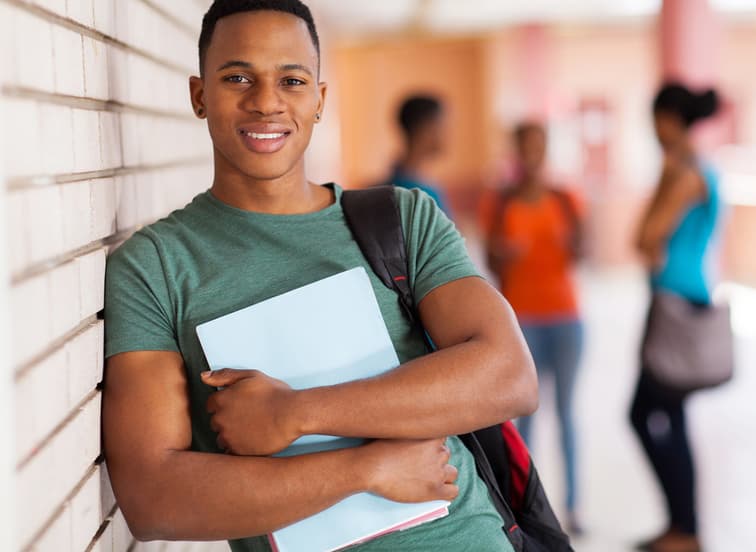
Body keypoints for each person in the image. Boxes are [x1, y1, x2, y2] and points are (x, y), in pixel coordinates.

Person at [101, 2, 538, 551]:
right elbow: (153, 499)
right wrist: (366, 469)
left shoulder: (401, 220)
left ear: (319, 101)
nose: (266, 102)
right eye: (238, 77)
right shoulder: (156, 266)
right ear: (199, 95)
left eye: (292, 80)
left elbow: (510, 376)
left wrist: (296, 413)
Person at [631, 83, 722, 552]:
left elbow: (645, 237)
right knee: (672, 417)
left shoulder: (684, 173)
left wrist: (663, 182)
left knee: (642, 413)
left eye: (656, 119)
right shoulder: (694, 167)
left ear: (669, 119)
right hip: (682, 300)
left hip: (675, 305)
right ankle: (681, 527)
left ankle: (684, 528)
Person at [482, 122, 585, 534]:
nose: (531, 156)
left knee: (567, 414)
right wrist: (507, 254)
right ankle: (525, 510)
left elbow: (583, 252)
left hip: (566, 318)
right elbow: (490, 262)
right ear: (515, 151)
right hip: (519, 320)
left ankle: (575, 508)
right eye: (524, 147)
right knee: (522, 421)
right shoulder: (500, 202)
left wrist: (567, 238)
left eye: (538, 147)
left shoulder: (565, 198)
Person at [385, 95, 453, 215]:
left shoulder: (395, 182)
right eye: (443, 127)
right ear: (425, 129)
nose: (448, 135)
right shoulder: (416, 193)